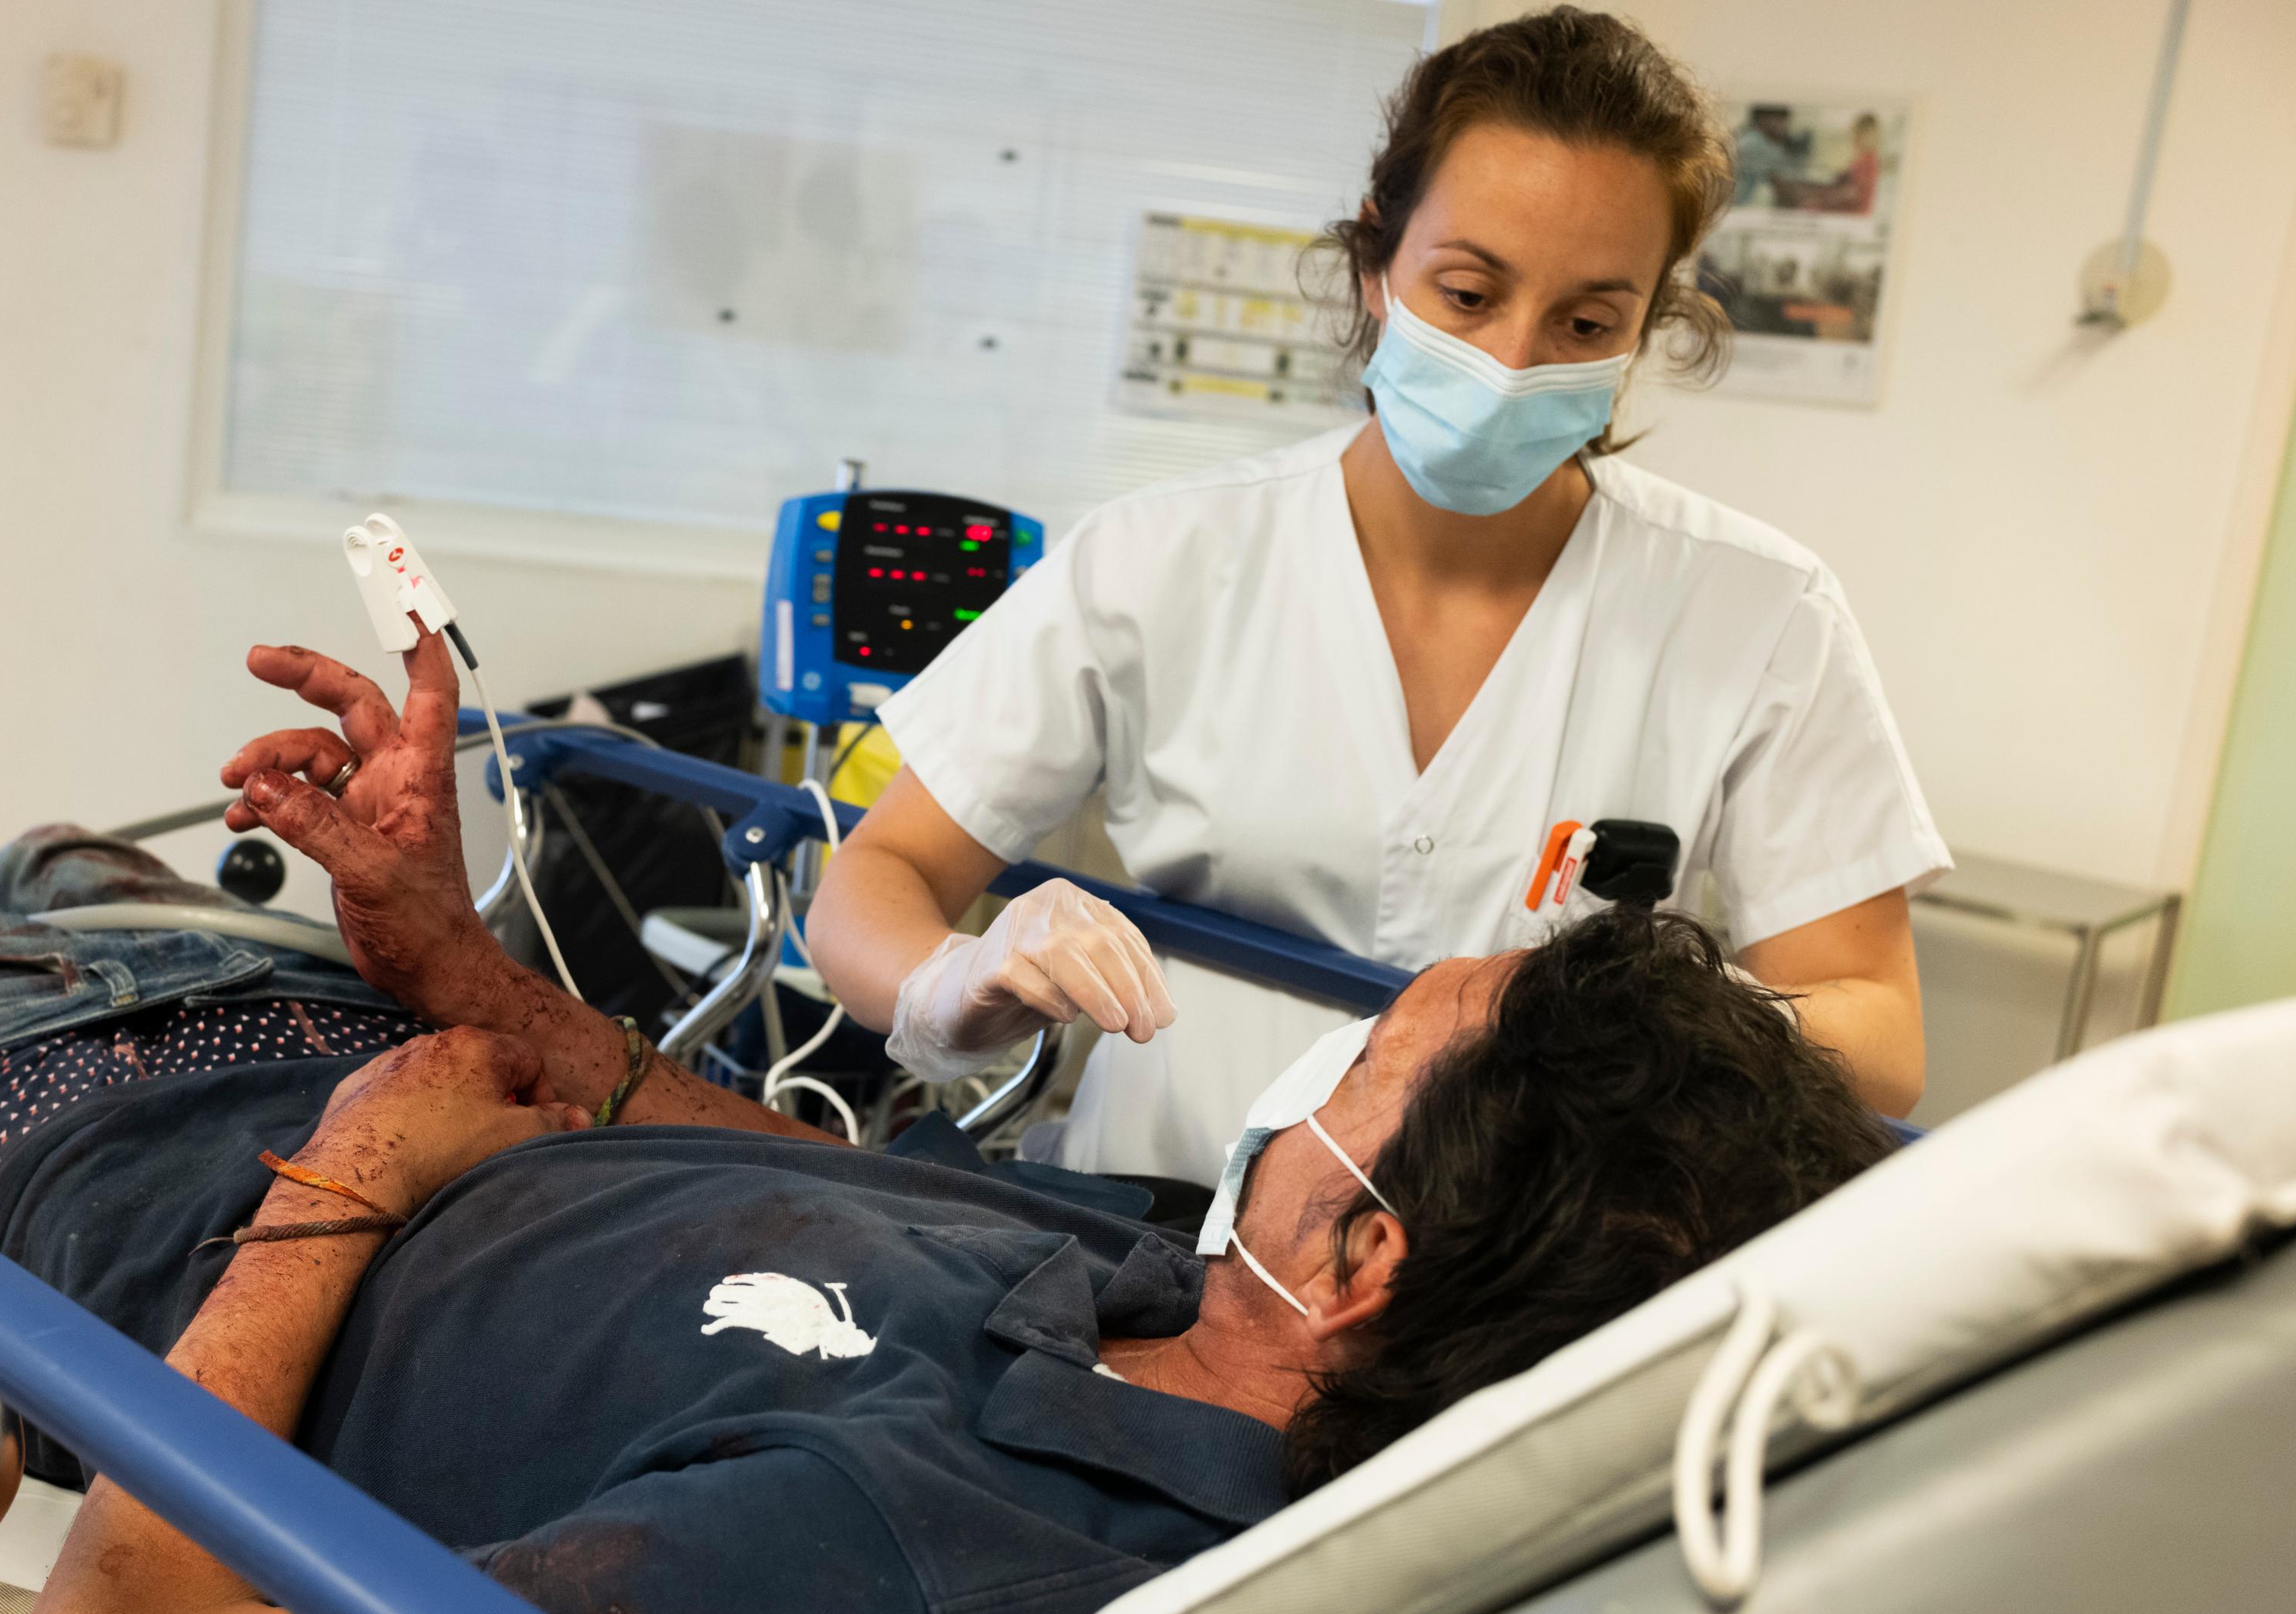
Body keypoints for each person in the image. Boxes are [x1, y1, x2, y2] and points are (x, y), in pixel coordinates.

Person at [0, 633, 1895, 1614]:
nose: (1322, 1059)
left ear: (1358, 1250)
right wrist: (462, 967)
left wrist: (345, 1186)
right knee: (72, 860)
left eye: (1380, 1046)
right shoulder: (1202, 1291)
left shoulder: (910, 1567)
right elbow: (797, 1167)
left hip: (107, 1180)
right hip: (371, 1056)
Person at [805, 8, 1949, 1193]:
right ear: (1375, 265)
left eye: (1585, 322)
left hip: (1514, 1264)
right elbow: (872, 883)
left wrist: (1633, 1018)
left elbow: (1877, 1032)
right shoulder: (1161, 556)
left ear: (1642, 331)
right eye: (1468, 292)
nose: (1512, 362)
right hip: (1152, 1223)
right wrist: (954, 979)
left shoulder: (1758, 613)